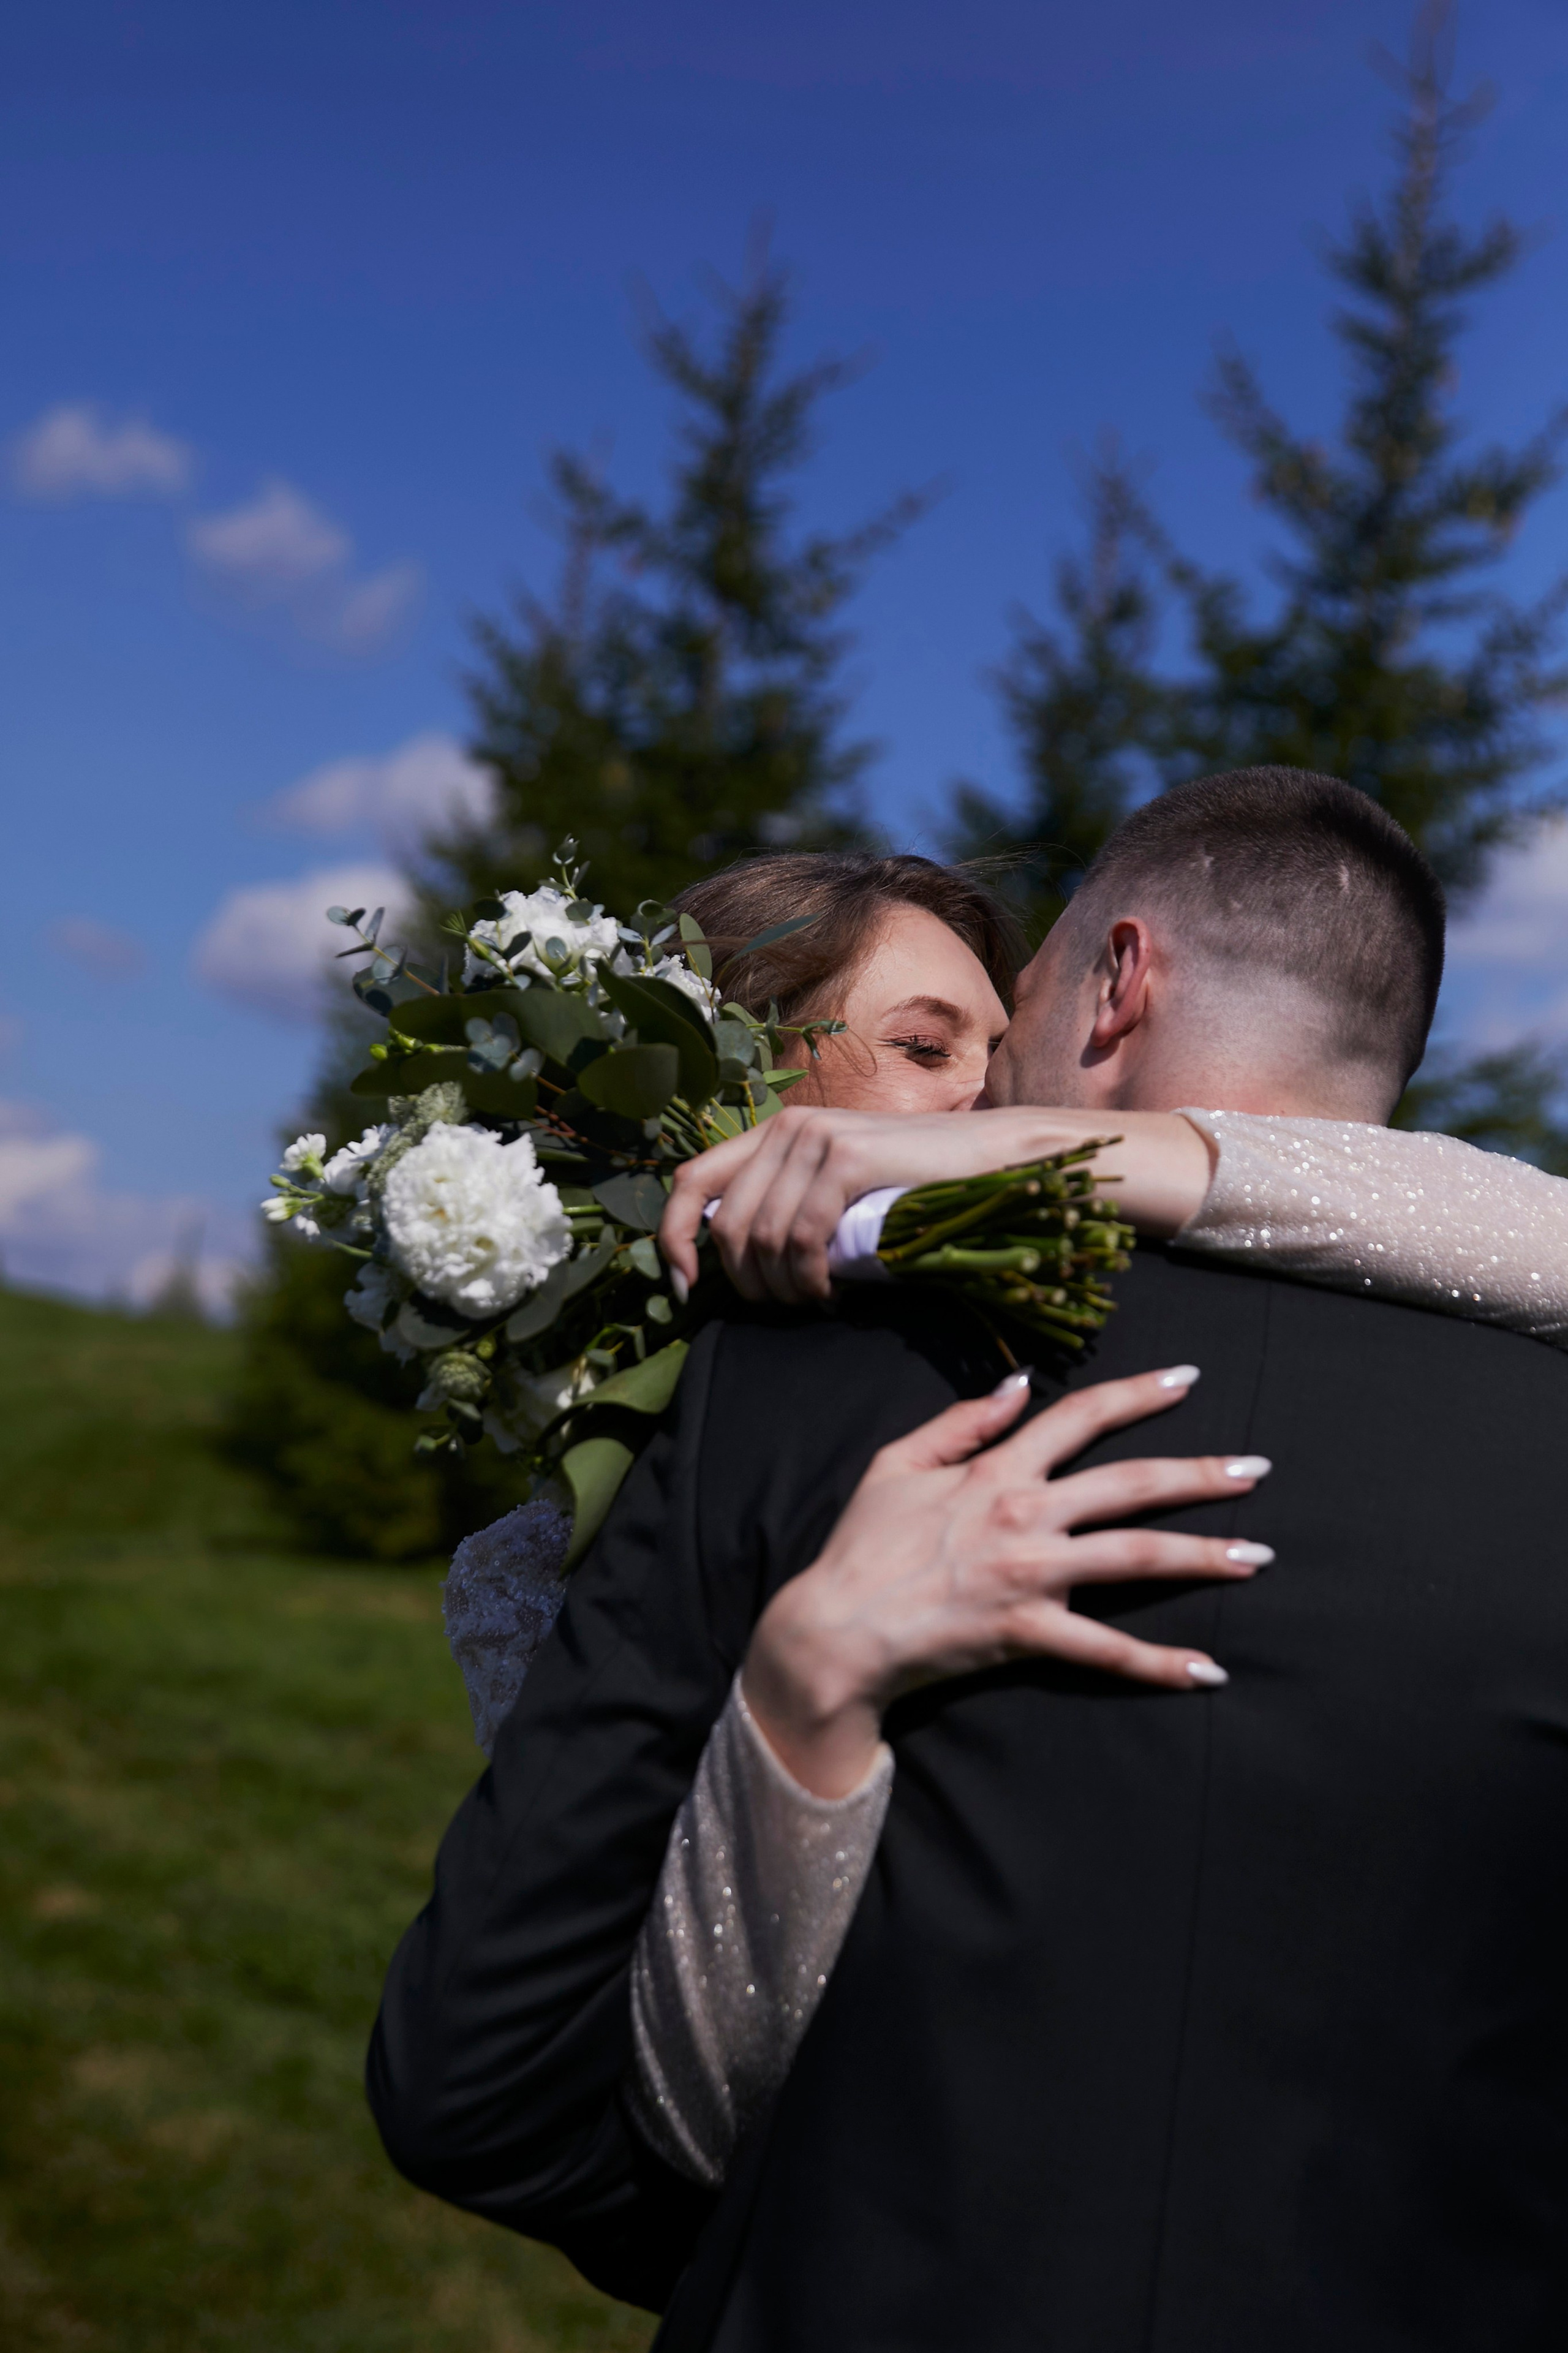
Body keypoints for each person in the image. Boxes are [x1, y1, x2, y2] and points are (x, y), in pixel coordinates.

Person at [372, 770, 1568, 2347]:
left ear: (1119, 980)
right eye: (933, 1050)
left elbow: (484, 2087)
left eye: (1004, 1036)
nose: (990, 1097)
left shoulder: (796, 1380)